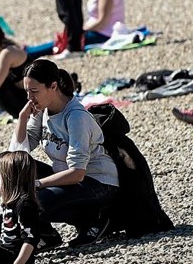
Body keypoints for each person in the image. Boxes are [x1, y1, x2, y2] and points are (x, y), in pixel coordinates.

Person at [11, 59, 119, 247]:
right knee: (15, 169)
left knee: (34, 202)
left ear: (53, 86)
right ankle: (46, 234)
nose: (30, 98)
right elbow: (18, 153)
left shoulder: (75, 116)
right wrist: (22, 118)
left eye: (34, 91)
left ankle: (92, 222)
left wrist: (36, 184)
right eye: (27, 91)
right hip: (67, 177)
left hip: (98, 182)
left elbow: (77, 173)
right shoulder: (41, 110)